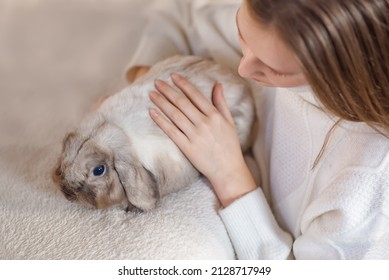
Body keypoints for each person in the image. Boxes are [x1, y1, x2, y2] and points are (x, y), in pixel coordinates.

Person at [125, 0, 389, 259]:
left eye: (274, 70)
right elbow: (178, 15)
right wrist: (147, 85)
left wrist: (229, 174)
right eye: (242, 35)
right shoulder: (273, 17)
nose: (243, 68)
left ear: (342, 66)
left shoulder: (367, 181)